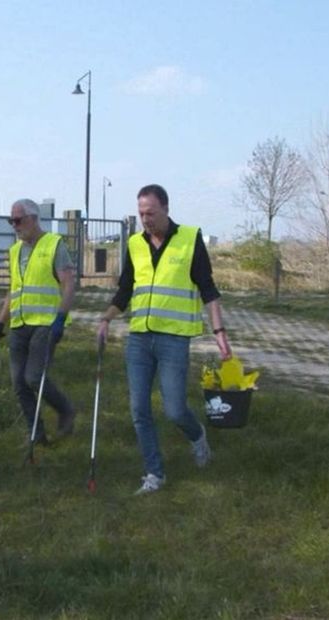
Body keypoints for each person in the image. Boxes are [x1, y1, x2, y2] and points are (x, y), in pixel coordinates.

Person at [95, 184, 232, 495]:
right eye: (141, 213)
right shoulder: (134, 244)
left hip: (174, 339)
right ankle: (154, 473)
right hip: (140, 339)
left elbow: (208, 290)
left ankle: (198, 438)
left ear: (166, 209)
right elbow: (125, 291)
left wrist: (219, 332)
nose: (146, 219)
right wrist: (105, 319)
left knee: (174, 409)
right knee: (138, 409)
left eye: (151, 213)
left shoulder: (189, 239)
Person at [0, 199, 77, 445]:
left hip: (46, 322)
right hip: (20, 324)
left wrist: (60, 318)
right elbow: (14, 289)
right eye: (11, 221)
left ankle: (66, 409)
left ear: (34, 218)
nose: (14, 225)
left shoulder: (54, 245)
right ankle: (36, 434)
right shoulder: (15, 250)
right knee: (19, 384)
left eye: (18, 220)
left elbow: (69, 285)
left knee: (34, 377)